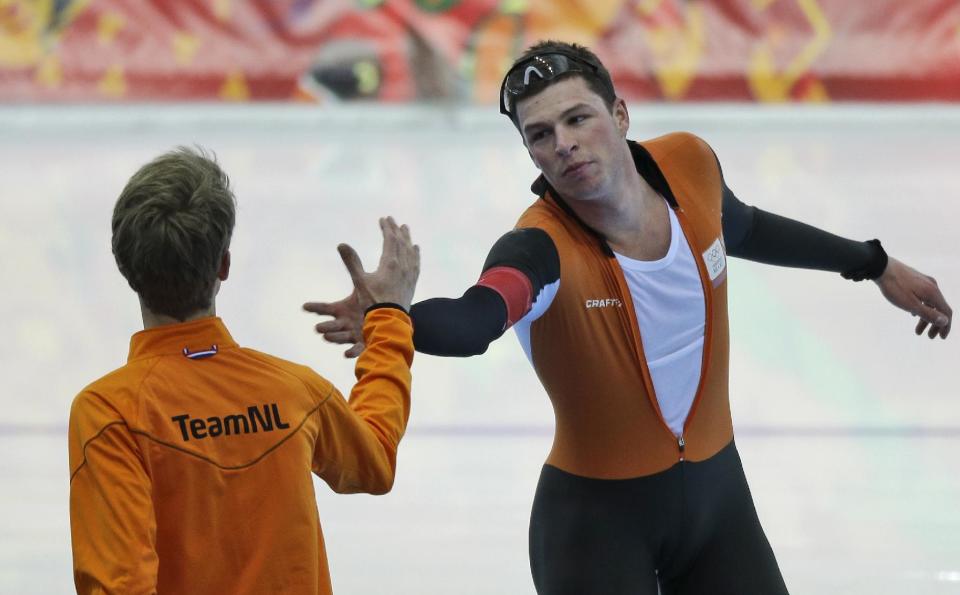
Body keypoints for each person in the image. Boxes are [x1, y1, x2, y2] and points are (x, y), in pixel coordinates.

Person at [306, 41, 952, 594]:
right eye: (540, 134)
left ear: (619, 113)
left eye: (578, 118)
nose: (564, 144)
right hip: (595, 528)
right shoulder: (537, 246)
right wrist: (395, 314)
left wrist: (873, 263)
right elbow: (478, 319)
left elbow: (744, 225)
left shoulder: (688, 164)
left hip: (719, 504)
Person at [68, 147, 420, 594]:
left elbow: (118, 585)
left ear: (124, 265)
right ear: (224, 265)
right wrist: (387, 318)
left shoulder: (109, 413)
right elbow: (374, 460)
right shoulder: (294, 392)